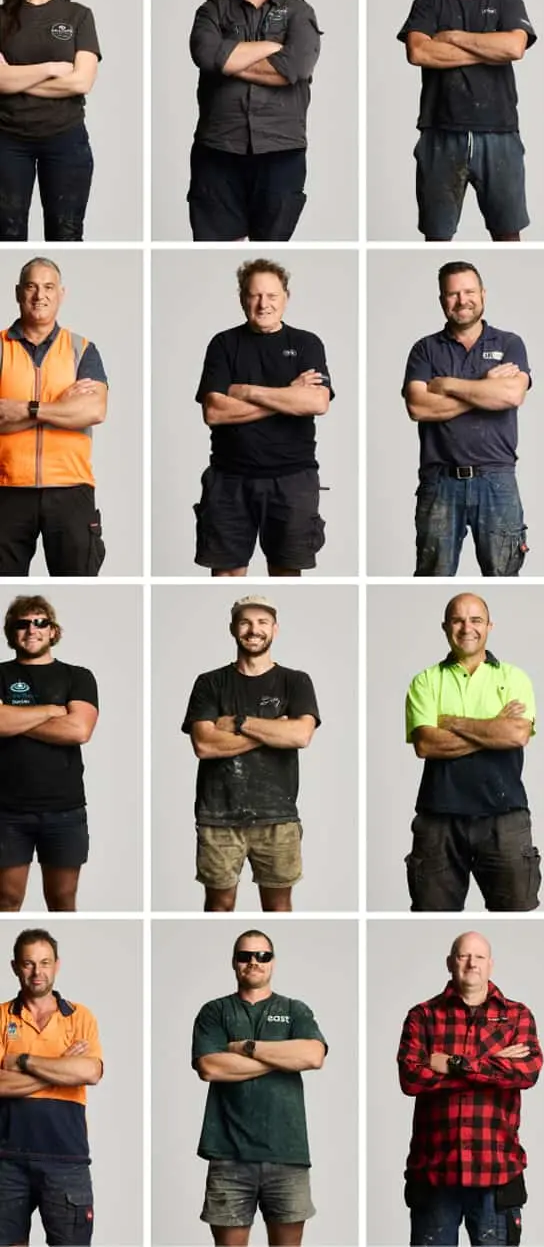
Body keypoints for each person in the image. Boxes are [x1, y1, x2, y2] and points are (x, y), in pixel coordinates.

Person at [397, 931, 542, 1246]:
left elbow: (527, 1073)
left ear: (490, 964)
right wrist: (492, 1065)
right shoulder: (423, 1016)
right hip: (434, 1171)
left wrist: (454, 1064)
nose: (471, 963)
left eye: (479, 957)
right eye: (464, 956)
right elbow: (411, 1078)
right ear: (450, 963)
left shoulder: (517, 1016)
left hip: (497, 1171)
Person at [398, 0, 537, 243]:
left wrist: (452, 37)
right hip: (439, 134)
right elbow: (419, 52)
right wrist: (489, 50)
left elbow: (513, 48)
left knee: (508, 236)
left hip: (500, 133)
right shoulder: (427, 4)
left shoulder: (508, 2)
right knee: (437, 238)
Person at [194, 258, 332, 577]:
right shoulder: (223, 344)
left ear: (286, 297)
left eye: (271, 296)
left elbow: (317, 401)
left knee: (287, 573)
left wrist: (246, 391)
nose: (263, 304)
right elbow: (214, 411)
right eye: (255, 295)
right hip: (229, 479)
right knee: (227, 574)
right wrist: (288, 395)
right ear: (242, 298)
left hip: (292, 479)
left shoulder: (306, 343)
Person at [182, 595, 320, 914]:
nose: (253, 630)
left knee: (279, 907)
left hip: (278, 816)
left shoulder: (295, 681)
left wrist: (239, 723)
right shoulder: (209, 682)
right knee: (219, 905)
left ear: (275, 629)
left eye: (262, 622)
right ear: (233, 629)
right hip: (218, 816)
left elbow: (301, 735)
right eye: (245, 622)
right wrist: (274, 731)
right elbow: (204, 745)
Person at [191, 928, 328, 1247]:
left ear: (273, 962)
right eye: (245, 955)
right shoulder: (215, 1011)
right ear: (234, 962)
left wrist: (247, 1048)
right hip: (228, 1155)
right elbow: (210, 1067)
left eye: (262, 955)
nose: (254, 961)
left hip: (288, 1154)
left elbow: (313, 1056)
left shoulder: (295, 1010)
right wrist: (283, 1059)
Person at [403, 593, 540, 912]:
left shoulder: (513, 677)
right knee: (432, 918)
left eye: (476, 620)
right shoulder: (426, 681)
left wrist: (452, 722)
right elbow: (426, 744)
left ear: (490, 626)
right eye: (458, 620)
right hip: (439, 819)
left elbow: (517, 734)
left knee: (516, 917)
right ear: (445, 627)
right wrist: (494, 728)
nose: (467, 628)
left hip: (504, 818)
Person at [186, 0, 319, 242]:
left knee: (269, 252)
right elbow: (206, 55)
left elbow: (295, 67)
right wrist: (273, 48)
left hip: (281, 150)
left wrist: (228, 61)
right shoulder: (212, 10)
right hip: (217, 149)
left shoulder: (298, 11)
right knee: (216, 250)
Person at [401, 260, 531, 577]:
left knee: (504, 576)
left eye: (469, 292)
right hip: (440, 482)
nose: (462, 300)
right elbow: (418, 407)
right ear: (442, 300)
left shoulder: (509, 343)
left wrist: (448, 385)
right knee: (433, 578)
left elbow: (512, 395)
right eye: (453, 294)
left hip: (496, 479)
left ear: (483, 294)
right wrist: (486, 390)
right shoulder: (425, 349)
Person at [0, 255, 104, 575]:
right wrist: (61, 407)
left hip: (71, 488)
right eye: (31, 286)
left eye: (48, 287)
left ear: (61, 293)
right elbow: (75, 412)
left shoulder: (81, 349)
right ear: (18, 292)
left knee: (78, 584)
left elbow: (94, 410)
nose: (39, 295)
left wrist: (26, 409)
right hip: (6, 488)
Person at [0, 0, 99, 241]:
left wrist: (15, 79)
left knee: (66, 236)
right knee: (6, 236)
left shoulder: (79, 16)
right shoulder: (1, 18)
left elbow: (81, 82)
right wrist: (51, 67)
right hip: (7, 141)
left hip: (65, 141)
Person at [0, 927, 98, 1244]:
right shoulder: (0, 1016)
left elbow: (90, 1072)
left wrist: (23, 1061)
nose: (37, 972)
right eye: (28, 963)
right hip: (6, 1160)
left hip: (66, 1159)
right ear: (15, 967)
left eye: (44, 962)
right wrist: (60, 1067)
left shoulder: (79, 1016)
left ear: (57, 965)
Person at [0, 594, 91, 912]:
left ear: (53, 631)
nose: (32, 630)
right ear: (11, 632)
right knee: (6, 900)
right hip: (7, 810)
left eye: (40, 622)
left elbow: (79, 730)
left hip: (64, 809)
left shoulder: (78, 676)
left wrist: (14, 719)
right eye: (22, 624)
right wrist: (52, 711)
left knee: (62, 900)